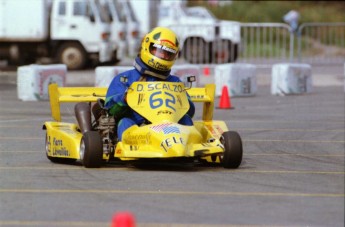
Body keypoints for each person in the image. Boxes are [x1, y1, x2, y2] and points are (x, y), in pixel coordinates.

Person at [105, 27, 195, 141]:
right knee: (125, 122)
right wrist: (124, 99)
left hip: (169, 127)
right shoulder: (125, 79)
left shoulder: (175, 82)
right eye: (159, 51)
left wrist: (184, 102)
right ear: (146, 47)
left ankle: (189, 146)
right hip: (139, 127)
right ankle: (129, 147)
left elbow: (189, 111)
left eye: (168, 53)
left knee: (186, 119)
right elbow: (110, 111)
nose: (163, 56)